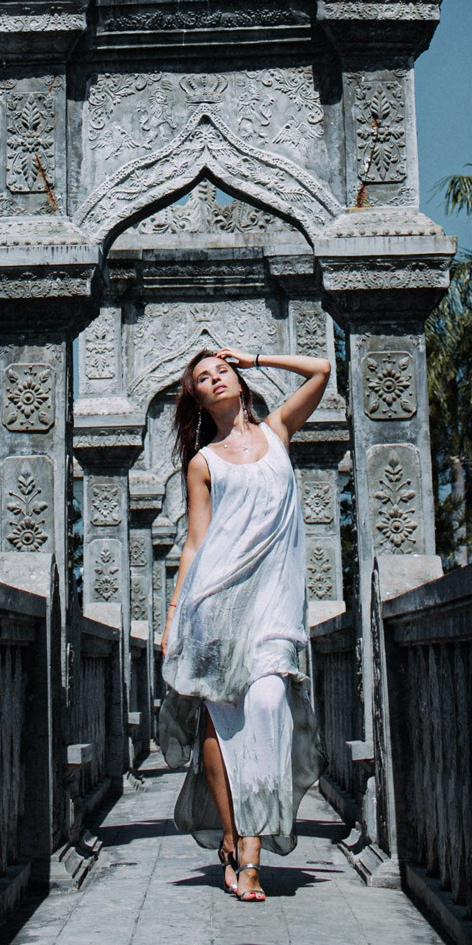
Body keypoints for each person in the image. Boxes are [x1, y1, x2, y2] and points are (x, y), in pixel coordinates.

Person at [156, 342, 331, 902]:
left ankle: (248, 845)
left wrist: (257, 359)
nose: (217, 379)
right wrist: (174, 616)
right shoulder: (202, 463)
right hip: (215, 606)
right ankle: (237, 842)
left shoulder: (279, 430)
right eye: (204, 378)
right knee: (220, 724)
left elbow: (321, 370)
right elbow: (196, 543)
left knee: (267, 705)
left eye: (222, 370)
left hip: (273, 607)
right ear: (198, 401)